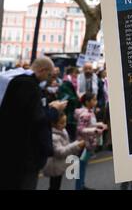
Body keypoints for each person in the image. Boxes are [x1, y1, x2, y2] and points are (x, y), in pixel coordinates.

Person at [0, 57, 67, 189]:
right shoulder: (28, 85)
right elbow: (37, 119)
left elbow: (27, 112)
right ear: (42, 70)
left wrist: (47, 107)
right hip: (24, 155)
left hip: (14, 151)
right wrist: (54, 110)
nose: (49, 79)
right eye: (49, 75)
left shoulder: (19, 82)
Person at [42, 112, 85, 190]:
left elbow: (66, 145)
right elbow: (60, 152)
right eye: (61, 123)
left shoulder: (62, 130)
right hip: (54, 165)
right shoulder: (53, 136)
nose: (64, 124)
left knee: (55, 184)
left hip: (58, 164)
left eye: (65, 122)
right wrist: (76, 145)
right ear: (53, 123)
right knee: (54, 185)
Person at [74, 92, 107, 190]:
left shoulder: (89, 111)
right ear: (87, 102)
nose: (96, 101)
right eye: (93, 100)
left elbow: (89, 124)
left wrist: (99, 124)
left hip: (88, 143)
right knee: (81, 167)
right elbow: (80, 129)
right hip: (84, 144)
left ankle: (81, 185)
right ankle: (79, 187)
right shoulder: (85, 114)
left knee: (83, 166)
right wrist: (95, 130)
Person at [59, 66, 82, 141]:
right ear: (71, 73)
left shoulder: (74, 82)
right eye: (76, 73)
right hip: (68, 112)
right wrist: (77, 99)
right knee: (69, 130)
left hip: (73, 111)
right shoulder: (66, 83)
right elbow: (65, 97)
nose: (77, 75)